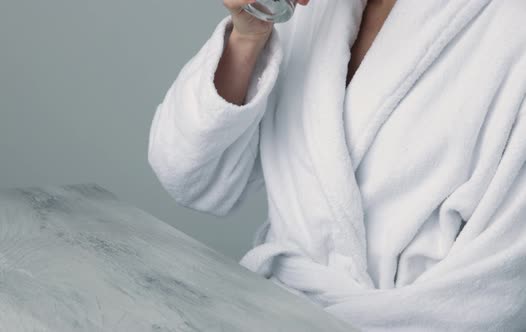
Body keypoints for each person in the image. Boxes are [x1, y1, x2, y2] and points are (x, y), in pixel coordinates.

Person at [148, 0, 526, 330]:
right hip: (267, 311)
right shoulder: (314, 10)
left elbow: (493, 294)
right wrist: (247, 37)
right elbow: (190, 177)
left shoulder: (512, 31)